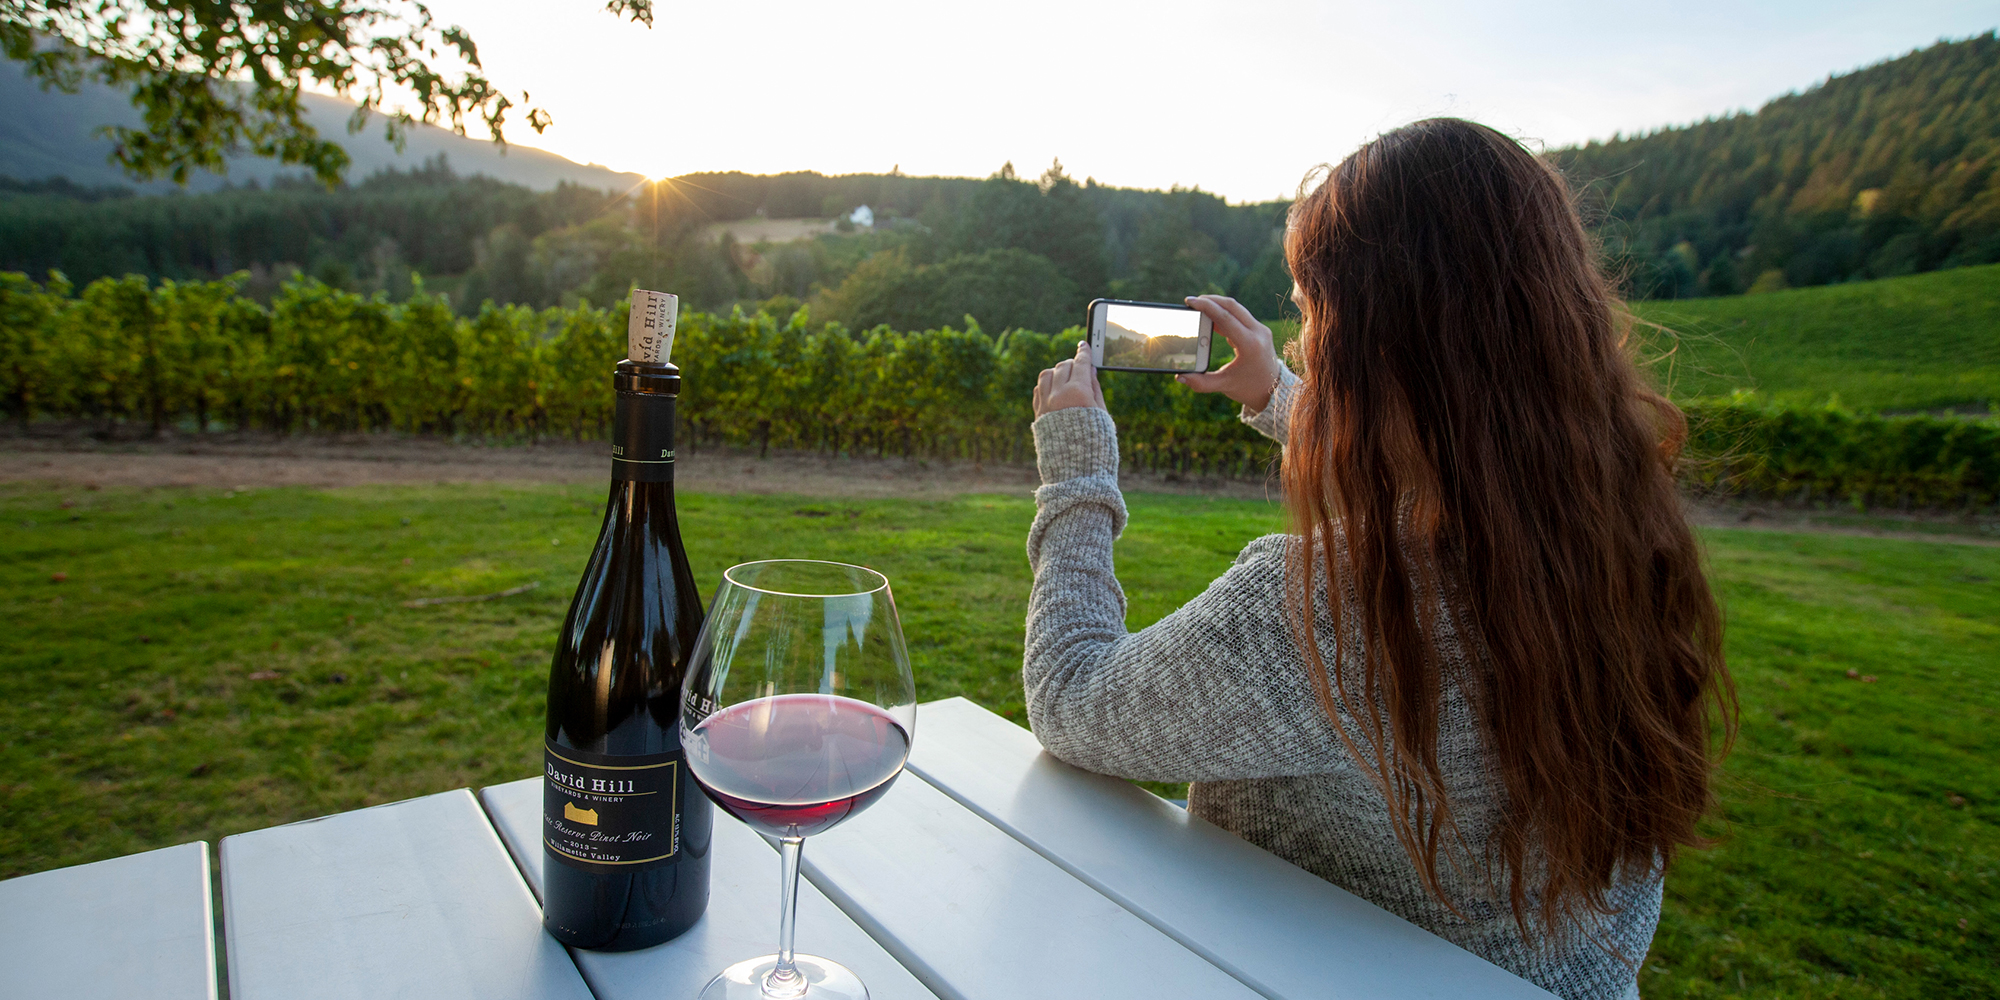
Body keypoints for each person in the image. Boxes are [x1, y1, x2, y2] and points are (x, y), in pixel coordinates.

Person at [1022, 118, 1734, 1000]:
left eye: (1313, 311)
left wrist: (1078, 473)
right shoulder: (1613, 533)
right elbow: (1455, 472)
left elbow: (1070, 700)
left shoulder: (1327, 609)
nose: (1304, 342)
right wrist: (1283, 401)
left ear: (1376, 343)